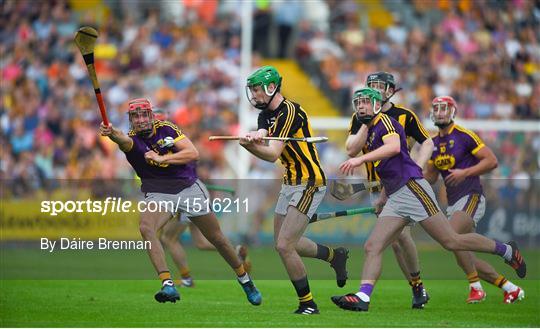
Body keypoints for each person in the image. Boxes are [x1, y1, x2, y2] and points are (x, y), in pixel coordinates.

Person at [331, 88, 526, 312]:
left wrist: (359, 161)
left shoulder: (386, 122)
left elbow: (394, 148)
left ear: (377, 105)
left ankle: (506, 251)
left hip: (413, 188)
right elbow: (378, 164)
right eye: (358, 103)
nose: (361, 106)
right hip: (395, 194)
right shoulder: (370, 128)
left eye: (366, 102)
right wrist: (383, 197)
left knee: (451, 241)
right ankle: (363, 297)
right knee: (372, 245)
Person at [99, 98, 261, 305]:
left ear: (150, 116)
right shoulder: (131, 140)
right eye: (135, 116)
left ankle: (245, 280)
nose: (140, 120)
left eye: (143, 115)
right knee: (147, 228)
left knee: (216, 239)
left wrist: (162, 159)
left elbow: (192, 153)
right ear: (131, 120)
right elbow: (121, 139)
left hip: (188, 189)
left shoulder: (167, 129)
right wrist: (112, 133)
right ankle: (168, 284)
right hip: (158, 193)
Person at [240, 65, 349, 315]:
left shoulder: (289, 111)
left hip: (310, 181)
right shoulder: (265, 114)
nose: (254, 95)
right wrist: (255, 136)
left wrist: (249, 147)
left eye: (257, 90)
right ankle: (335, 256)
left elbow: (271, 154)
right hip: (290, 182)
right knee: (287, 242)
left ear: (270, 87)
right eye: (252, 90)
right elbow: (263, 134)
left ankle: (308, 303)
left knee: (284, 246)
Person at [424, 95, 525, 304]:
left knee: (450, 236)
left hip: (471, 196)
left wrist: (464, 172)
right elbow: (431, 176)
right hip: (453, 203)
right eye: (437, 109)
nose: (440, 112)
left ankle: (506, 252)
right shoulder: (432, 143)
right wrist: (412, 173)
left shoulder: (464, 135)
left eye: (444, 108)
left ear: (453, 112)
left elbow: (492, 161)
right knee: (459, 248)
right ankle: (509, 288)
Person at [345, 71, 433, 308]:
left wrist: (419, 166)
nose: (375, 89)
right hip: (378, 186)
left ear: (391, 90)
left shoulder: (404, 115)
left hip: (402, 183)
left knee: (401, 237)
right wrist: (364, 124)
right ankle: (416, 287)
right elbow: (351, 149)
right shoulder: (360, 116)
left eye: (380, 86)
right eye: (371, 85)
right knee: (395, 241)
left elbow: (427, 142)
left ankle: (415, 286)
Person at [150, 108, 251, 288]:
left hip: (184, 194)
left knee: (168, 238)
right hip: (193, 192)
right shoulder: (179, 138)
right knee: (203, 243)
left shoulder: (166, 141)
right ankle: (235, 251)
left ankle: (187, 279)